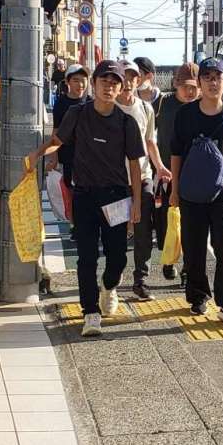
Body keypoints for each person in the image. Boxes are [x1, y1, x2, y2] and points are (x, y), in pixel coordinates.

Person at [27, 60, 145, 336]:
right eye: (104, 81)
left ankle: (109, 286)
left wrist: (137, 203)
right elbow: (57, 141)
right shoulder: (78, 113)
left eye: (114, 83)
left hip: (116, 197)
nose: (109, 87)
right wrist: (37, 155)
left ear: (120, 89)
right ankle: (90, 313)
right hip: (84, 195)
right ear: (94, 84)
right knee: (87, 256)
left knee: (117, 258)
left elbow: (135, 165)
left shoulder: (126, 122)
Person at [170, 57, 223, 324]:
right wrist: (174, 189)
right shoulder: (185, 115)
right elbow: (176, 153)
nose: (213, 83)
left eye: (218, 77)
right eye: (207, 77)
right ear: (200, 82)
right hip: (191, 192)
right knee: (194, 247)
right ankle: (198, 296)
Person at [116, 60, 172, 301]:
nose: (128, 82)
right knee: (116, 230)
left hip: (143, 175)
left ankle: (140, 279)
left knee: (144, 229)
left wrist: (160, 166)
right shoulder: (107, 108)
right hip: (115, 179)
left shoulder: (146, 109)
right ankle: (114, 272)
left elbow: (150, 142)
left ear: (138, 80)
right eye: (123, 77)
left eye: (132, 77)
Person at [152, 62, 200, 283]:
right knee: (165, 220)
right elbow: (147, 131)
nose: (189, 91)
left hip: (194, 175)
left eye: (193, 87)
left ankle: (188, 269)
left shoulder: (202, 107)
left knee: (191, 224)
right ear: (176, 84)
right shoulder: (163, 103)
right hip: (166, 173)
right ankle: (169, 260)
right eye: (185, 86)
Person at [47, 64, 91, 241]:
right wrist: (53, 157)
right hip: (68, 155)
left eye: (83, 80)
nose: (80, 84)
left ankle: (87, 224)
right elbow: (56, 131)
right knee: (71, 191)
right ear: (67, 82)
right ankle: (75, 225)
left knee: (88, 191)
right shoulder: (61, 103)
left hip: (89, 157)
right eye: (76, 80)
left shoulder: (91, 102)